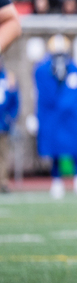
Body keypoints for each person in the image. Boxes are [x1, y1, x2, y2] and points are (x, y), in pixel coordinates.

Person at [36, 35, 77, 199]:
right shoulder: (42, 70)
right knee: (54, 148)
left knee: (75, 146)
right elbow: (44, 94)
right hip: (52, 116)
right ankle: (56, 179)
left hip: (69, 117)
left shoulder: (76, 70)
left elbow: (75, 94)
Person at [0, 62, 19, 193]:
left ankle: (3, 182)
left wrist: (10, 118)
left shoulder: (8, 78)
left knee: (3, 155)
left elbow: (15, 101)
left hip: (2, 123)